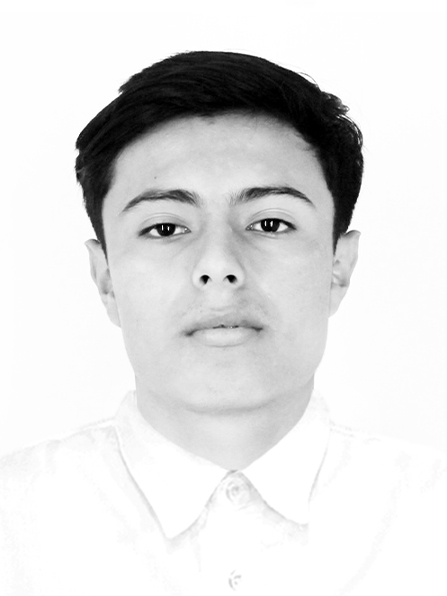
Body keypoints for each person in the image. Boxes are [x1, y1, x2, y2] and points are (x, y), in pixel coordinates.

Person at [1, 51, 446, 596]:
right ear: (106, 278)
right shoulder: (13, 526)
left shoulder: (433, 521)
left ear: (339, 266)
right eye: (166, 228)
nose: (218, 265)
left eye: (270, 223)